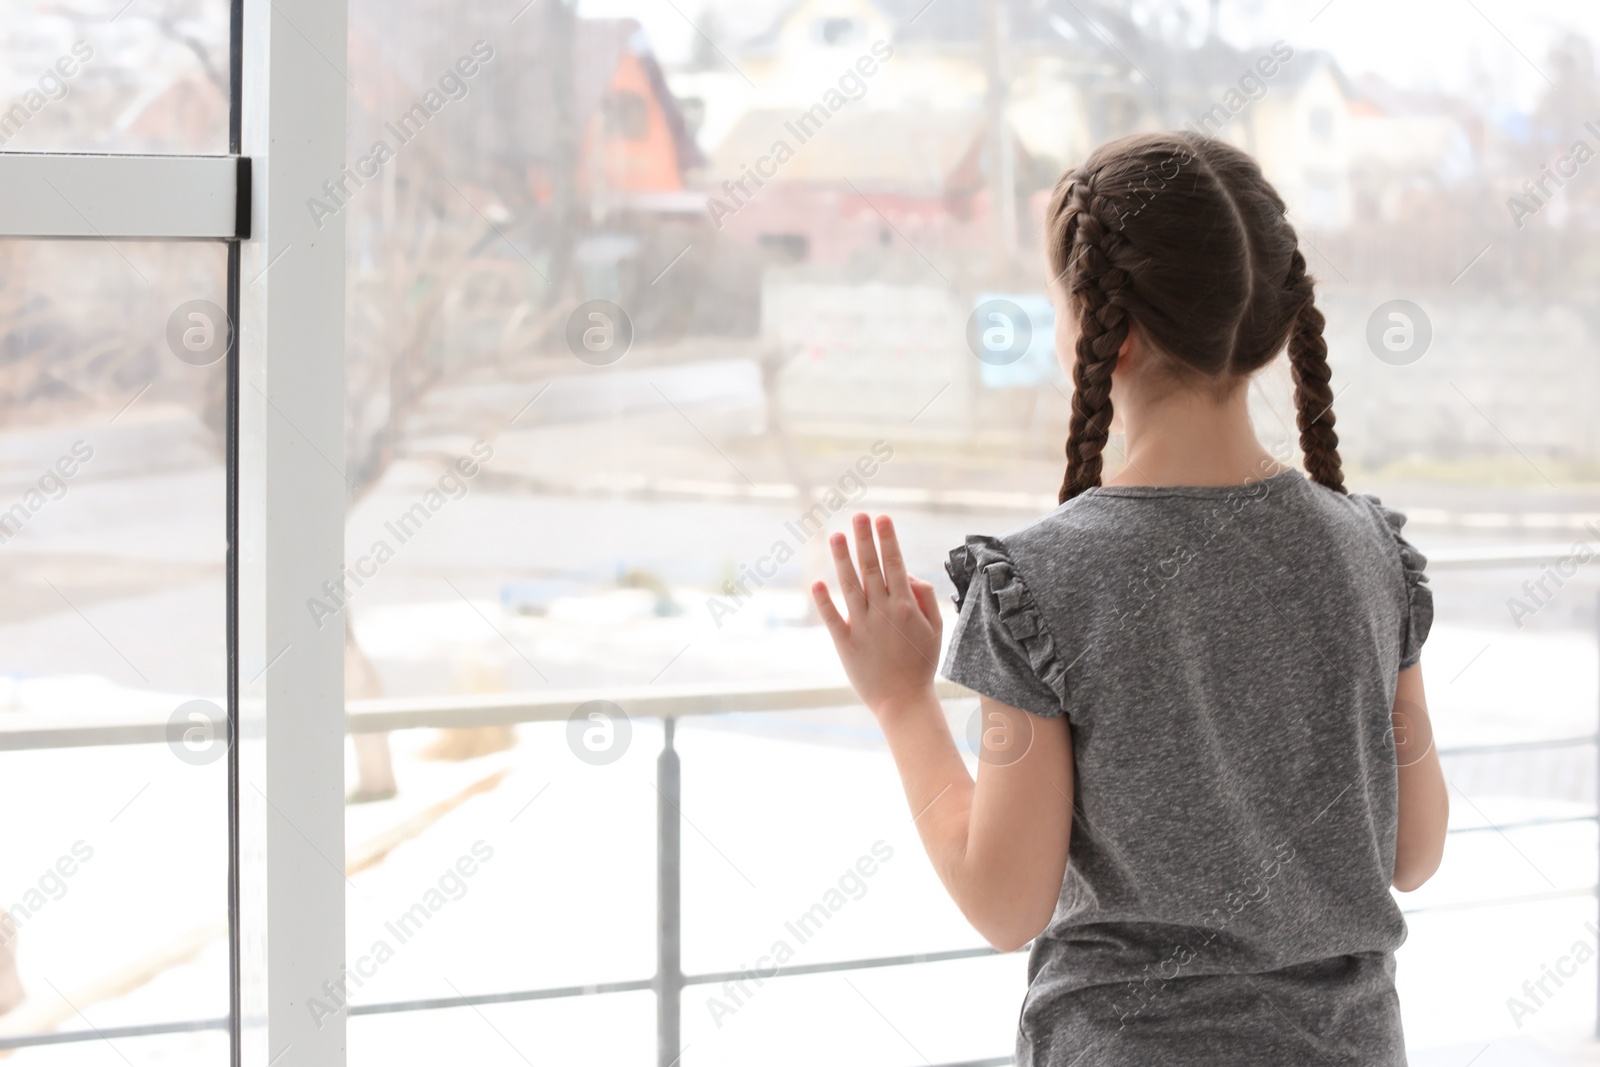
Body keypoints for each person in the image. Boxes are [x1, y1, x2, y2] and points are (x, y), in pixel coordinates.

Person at [812, 131, 1448, 1066]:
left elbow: (1004, 901)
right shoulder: (1369, 551)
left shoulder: (1040, 584)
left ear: (1116, 335)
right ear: (1272, 320)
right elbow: (1415, 849)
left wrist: (901, 700)